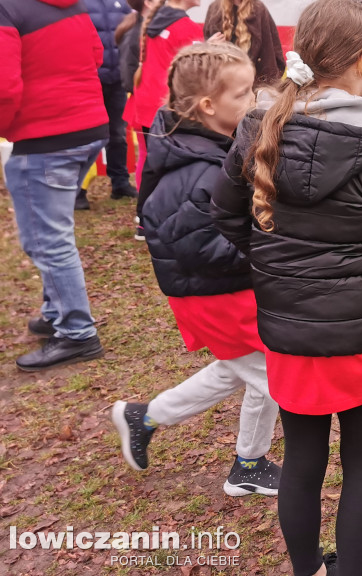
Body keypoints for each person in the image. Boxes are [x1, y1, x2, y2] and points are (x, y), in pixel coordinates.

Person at [212, 0, 362, 576]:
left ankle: (307, 570)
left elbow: (224, 215)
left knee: (302, 458)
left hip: (290, 335)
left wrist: (276, 267)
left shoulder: (258, 127)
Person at [111, 43, 281, 497]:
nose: (252, 102)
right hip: (215, 297)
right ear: (208, 106)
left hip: (225, 291)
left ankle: (143, 417)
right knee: (271, 375)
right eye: (243, 94)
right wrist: (265, 248)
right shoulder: (195, 170)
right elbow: (192, 244)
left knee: (236, 371)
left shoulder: (209, 149)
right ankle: (249, 463)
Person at [0, 0, 108, 371]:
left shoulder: (4, 1)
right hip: (87, 125)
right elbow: (97, 54)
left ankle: (77, 332)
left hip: (45, 132)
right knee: (54, 230)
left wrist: (8, 129)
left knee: (47, 239)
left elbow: (4, 86)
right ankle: (54, 312)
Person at [123, 0, 206, 215]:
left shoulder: (154, 22)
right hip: (167, 108)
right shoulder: (185, 27)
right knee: (164, 164)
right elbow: (196, 71)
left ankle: (144, 217)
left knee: (149, 161)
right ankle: (155, 215)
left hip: (145, 105)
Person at [71, 0, 133, 206]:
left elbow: (130, 33)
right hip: (84, 80)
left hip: (116, 78)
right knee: (83, 135)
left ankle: (119, 182)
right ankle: (76, 189)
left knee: (117, 132)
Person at [203, 0, 285, 86]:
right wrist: (209, 46)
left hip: (250, 81)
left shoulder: (258, 9)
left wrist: (269, 84)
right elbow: (207, 42)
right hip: (221, 80)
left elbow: (270, 48)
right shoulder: (216, 9)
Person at [115, 0, 160, 96]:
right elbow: (128, 73)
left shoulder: (155, 29)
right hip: (142, 97)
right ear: (148, 3)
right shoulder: (133, 36)